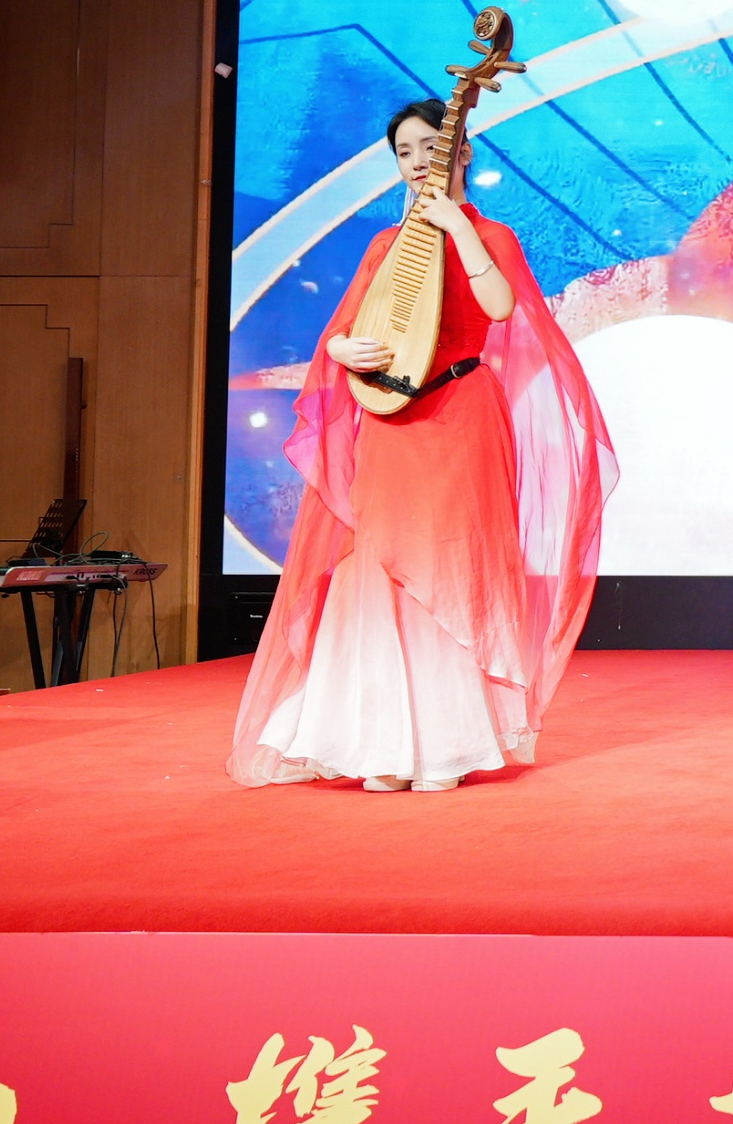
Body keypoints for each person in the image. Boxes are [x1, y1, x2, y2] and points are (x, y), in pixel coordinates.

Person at [231, 96, 612, 791]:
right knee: (378, 569)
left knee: (454, 567)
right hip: (391, 424)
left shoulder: (490, 236)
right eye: (402, 153)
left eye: (427, 149)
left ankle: (447, 748)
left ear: (460, 152)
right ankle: (378, 746)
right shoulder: (385, 247)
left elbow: (500, 307)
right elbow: (343, 331)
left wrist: (455, 226)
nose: (414, 163)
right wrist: (342, 349)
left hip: (461, 415)